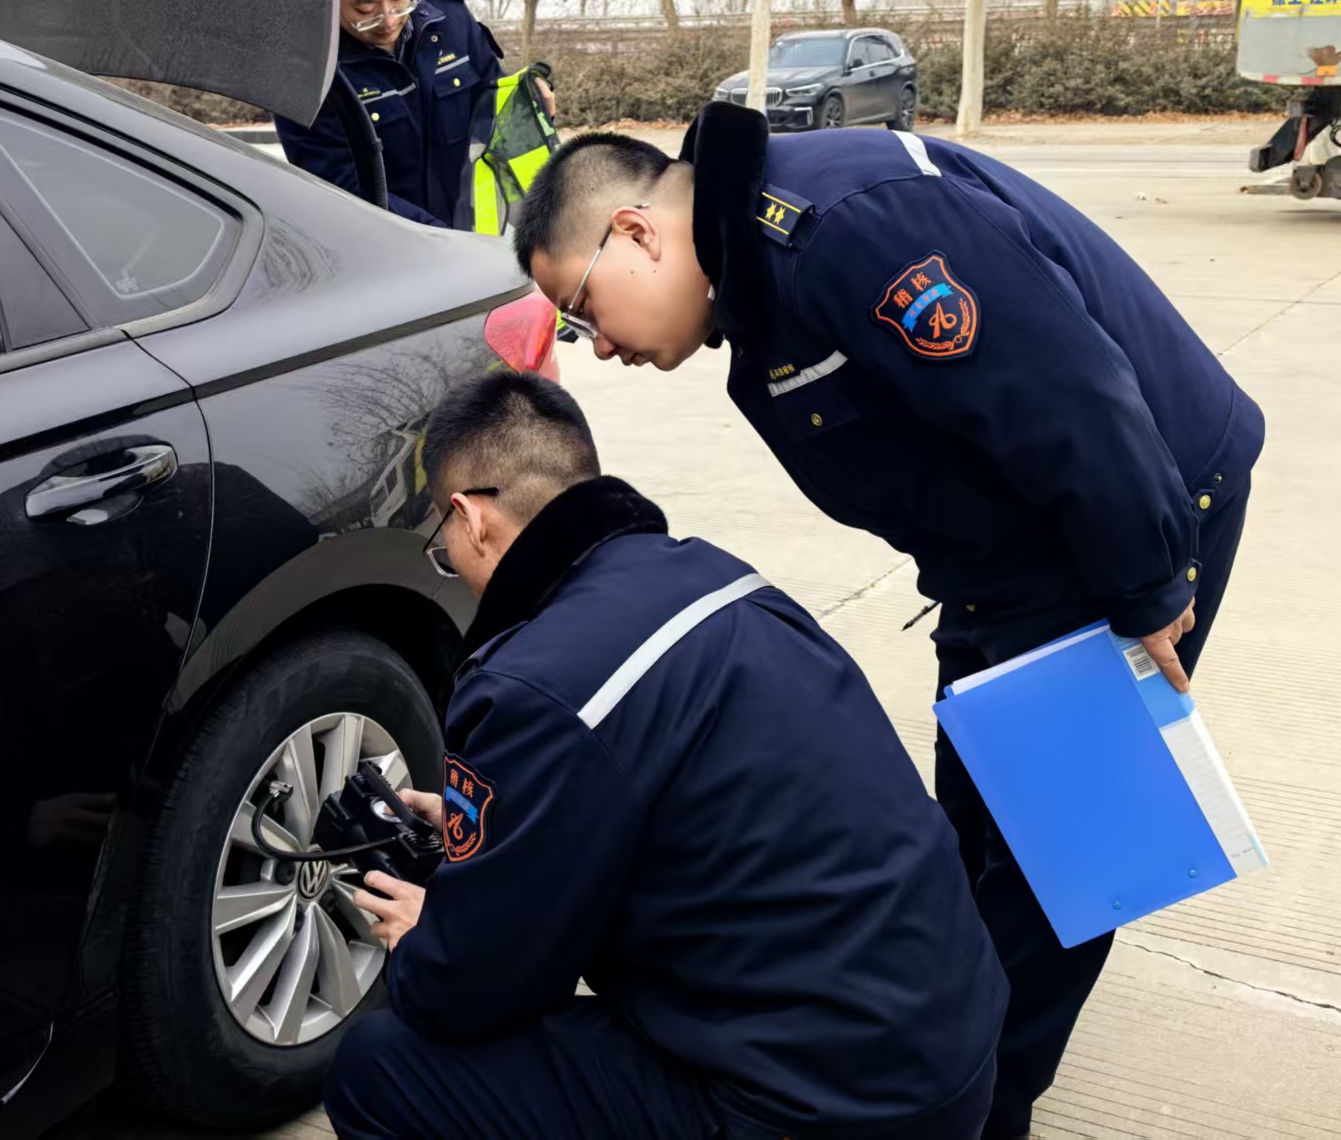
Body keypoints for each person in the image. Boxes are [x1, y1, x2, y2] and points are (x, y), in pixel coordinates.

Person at [509, 104, 1265, 1138]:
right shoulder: (755, 290)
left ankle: (985, 1110)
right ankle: (945, 1074)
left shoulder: (844, 226)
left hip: (1129, 512)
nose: (595, 347)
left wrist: (1148, 588)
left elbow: (1069, 401)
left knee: (1066, 863)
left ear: (635, 232)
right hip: (1006, 557)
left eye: (581, 309)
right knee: (967, 836)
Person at [324, 371, 1007, 1140]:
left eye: (444, 548)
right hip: (956, 1052)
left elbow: (470, 993)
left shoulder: (536, 685)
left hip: (819, 1109)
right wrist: (506, 825)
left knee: (379, 1068)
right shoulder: (716, 578)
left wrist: (431, 937)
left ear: (471, 518)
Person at [275, 0, 509, 230]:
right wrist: (440, 241)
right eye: (365, 8)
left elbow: (495, 102)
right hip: (388, 246)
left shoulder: (451, 19)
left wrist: (530, 98)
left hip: (477, 233)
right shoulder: (307, 71)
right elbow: (338, 185)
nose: (388, 20)